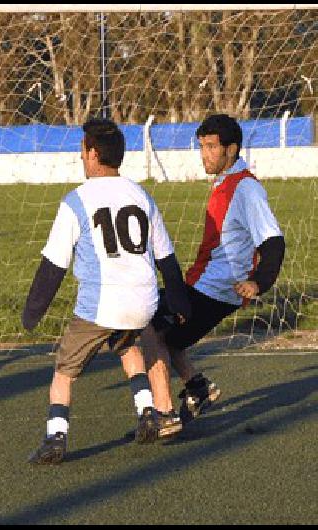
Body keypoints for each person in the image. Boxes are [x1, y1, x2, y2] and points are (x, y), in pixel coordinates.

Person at [23, 118, 191, 465]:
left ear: (94, 154)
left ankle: (55, 436)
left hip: (100, 305)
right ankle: (146, 412)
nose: (81, 158)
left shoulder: (76, 200)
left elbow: (53, 267)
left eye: (82, 151)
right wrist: (178, 301)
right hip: (144, 301)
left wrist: (33, 311)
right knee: (128, 345)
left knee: (64, 371)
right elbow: (167, 258)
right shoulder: (142, 195)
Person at [142, 114, 285, 433]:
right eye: (201, 146)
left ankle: (163, 414)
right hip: (203, 283)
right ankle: (197, 388)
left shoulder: (246, 188)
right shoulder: (226, 181)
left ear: (231, 149)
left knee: (152, 328)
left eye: (210, 147)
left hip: (217, 289)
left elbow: (273, 240)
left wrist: (258, 282)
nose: (204, 154)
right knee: (168, 333)